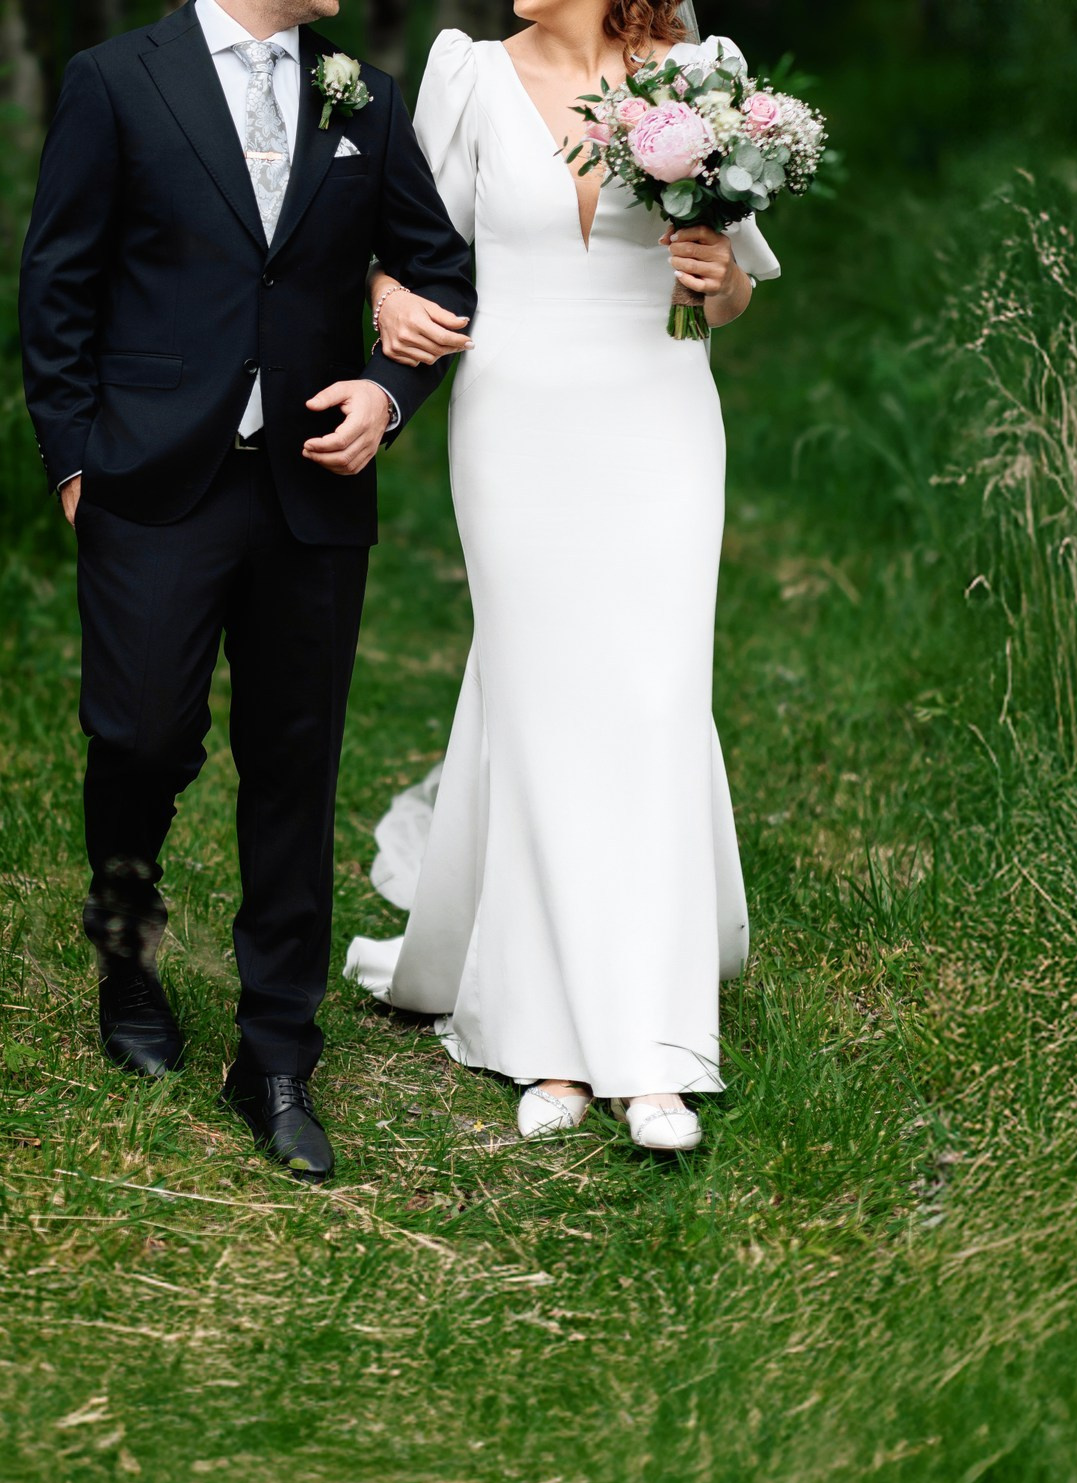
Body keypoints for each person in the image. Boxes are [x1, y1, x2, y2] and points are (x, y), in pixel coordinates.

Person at [18, 0, 474, 1181]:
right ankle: (126, 955)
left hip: (307, 496)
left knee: (295, 767)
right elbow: (58, 280)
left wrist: (385, 394)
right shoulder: (117, 81)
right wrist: (74, 465)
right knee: (140, 736)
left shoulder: (362, 99)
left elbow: (435, 268)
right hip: (151, 484)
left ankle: (275, 1053)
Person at [344, 0, 779, 1152]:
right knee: (538, 705)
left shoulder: (698, 78)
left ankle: (655, 1050)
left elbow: (734, 290)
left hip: (661, 420)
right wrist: (383, 300)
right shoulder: (468, 75)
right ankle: (541, 1038)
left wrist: (710, 274)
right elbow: (413, 252)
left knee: (650, 699)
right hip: (515, 426)